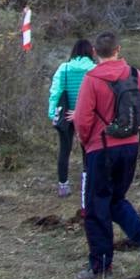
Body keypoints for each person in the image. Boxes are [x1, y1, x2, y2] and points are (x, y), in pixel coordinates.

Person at [73, 32, 140, 279]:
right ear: (118, 49)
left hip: (101, 148)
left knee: (96, 206)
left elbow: (82, 119)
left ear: (94, 52)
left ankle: (100, 267)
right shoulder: (134, 74)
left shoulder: (91, 79)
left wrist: (85, 139)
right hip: (130, 146)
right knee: (115, 199)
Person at [48, 39, 96, 200]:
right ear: (90, 52)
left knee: (64, 149)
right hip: (87, 115)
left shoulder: (64, 68)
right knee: (87, 150)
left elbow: (55, 92)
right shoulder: (94, 69)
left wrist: (52, 114)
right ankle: (87, 182)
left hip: (65, 114)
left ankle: (63, 185)